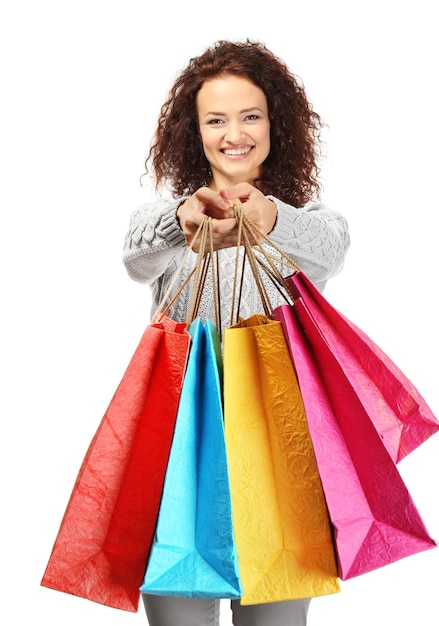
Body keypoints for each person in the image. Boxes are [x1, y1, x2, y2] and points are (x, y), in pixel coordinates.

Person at [123, 39, 350, 626]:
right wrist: (182, 223)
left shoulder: (306, 220)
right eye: (215, 119)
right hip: (180, 452)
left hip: (279, 455)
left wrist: (267, 217)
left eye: (250, 115)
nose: (234, 133)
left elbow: (330, 248)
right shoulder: (172, 216)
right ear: (193, 131)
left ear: (276, 123)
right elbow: (134, 256)